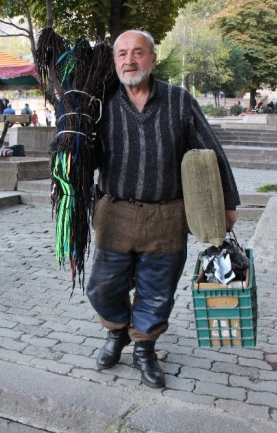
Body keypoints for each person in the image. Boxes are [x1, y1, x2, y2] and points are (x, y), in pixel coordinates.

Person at [87, 30, 239, 389]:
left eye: (138, 53)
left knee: (157, 292)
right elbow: (83, 152)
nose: (129, 60)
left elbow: (211, 151)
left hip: (167, 216)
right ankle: (117, 333)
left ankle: (144, 349)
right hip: (115, 214)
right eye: (121, 54)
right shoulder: (100, 104)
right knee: (101, 287)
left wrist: (228, 202)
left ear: (152, 59)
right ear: (114, 61)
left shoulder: (179, 100)